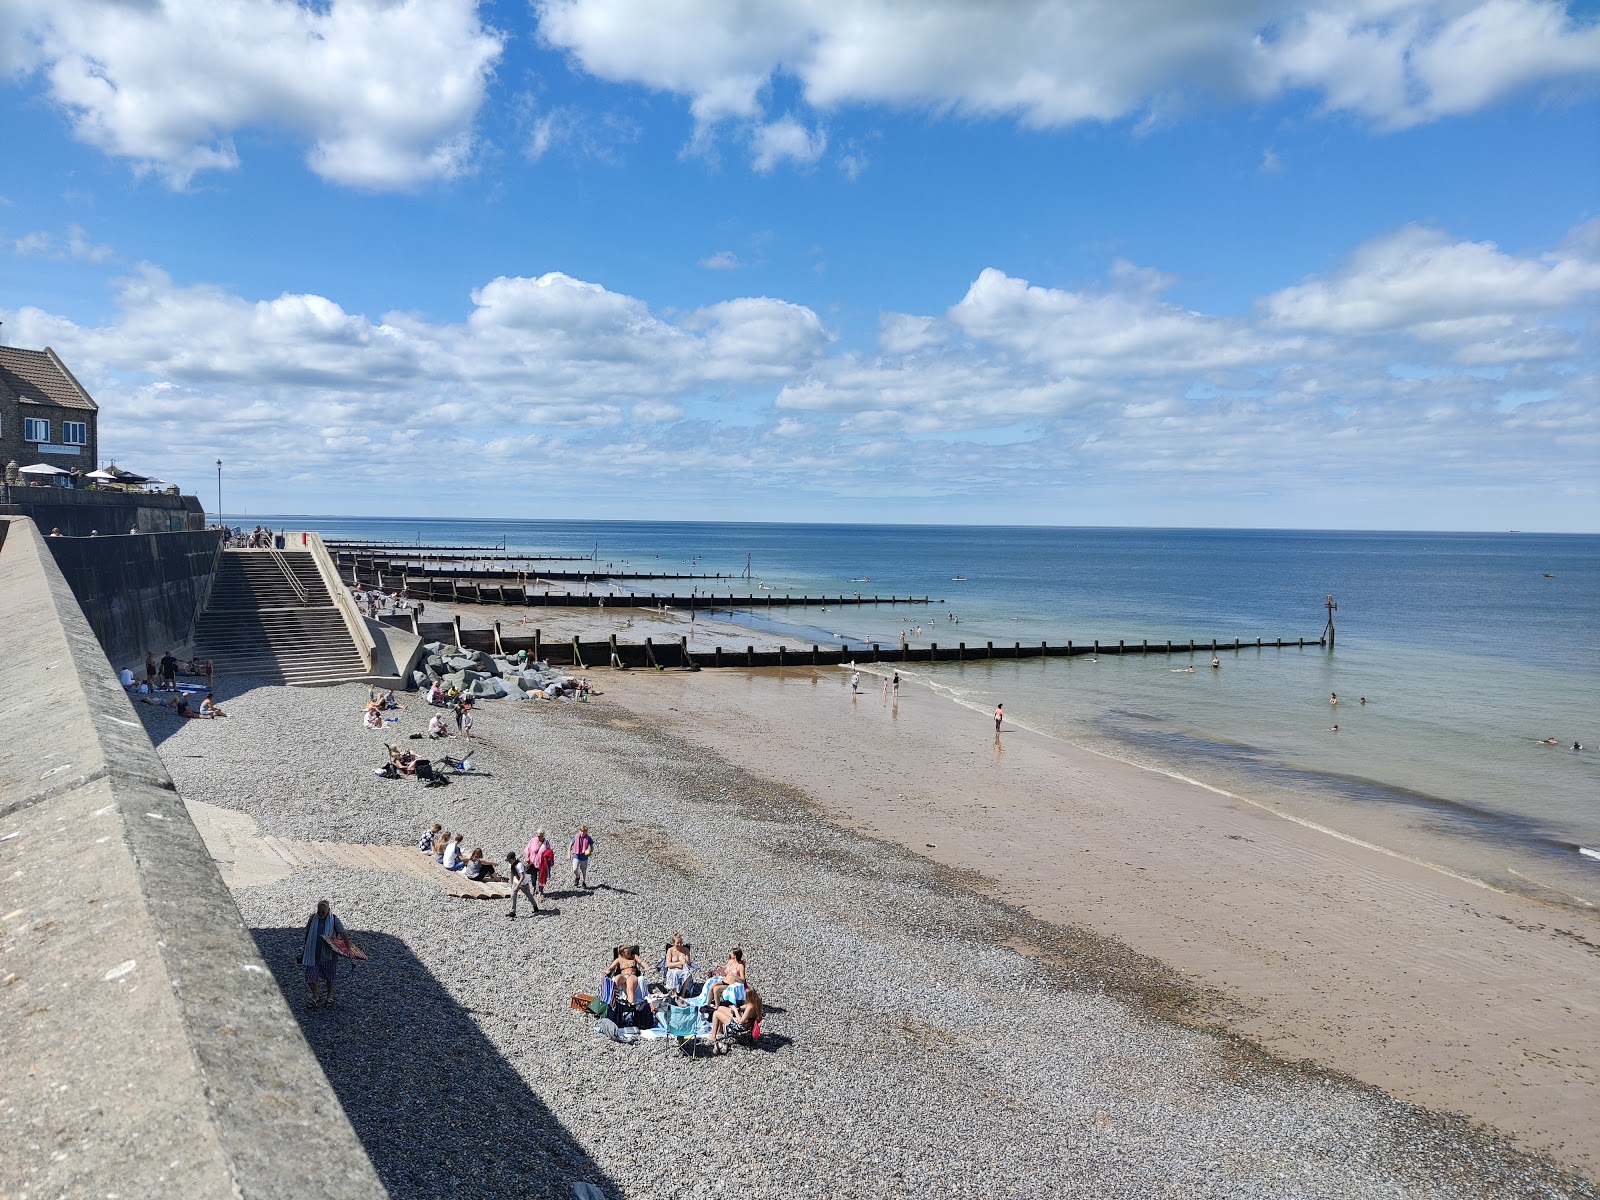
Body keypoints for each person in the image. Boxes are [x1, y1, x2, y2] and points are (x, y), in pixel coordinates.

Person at [300, 899, 348, 1008]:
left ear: (328, 911)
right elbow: (307, 933)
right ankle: (316, 995)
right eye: (319, 912)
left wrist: (348, 949)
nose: (321, 914)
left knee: (329, 977)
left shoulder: (334, 920)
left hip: (329, 954)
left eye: (323, 912)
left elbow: (343, 934)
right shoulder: (313, 919)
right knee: (310, 977)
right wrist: (305, 948)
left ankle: (329, 997)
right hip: (313, 952)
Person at [505, 852, 539, 917]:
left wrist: (518, 886)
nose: (509, 862)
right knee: (513, 895)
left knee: (529, 895)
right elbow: (512, 873)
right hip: (516, 882)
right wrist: (512, 883)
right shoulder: (511, 865)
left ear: (514, 859)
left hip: (523, 883)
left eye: (510, 860)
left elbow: (522, 876)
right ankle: (513, 911)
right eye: (508, 861)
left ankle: (535, 907)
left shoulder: (519, 865)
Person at [526, 829, 556, 895]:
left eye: (540, 836)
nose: (539, 837)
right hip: (533, 862)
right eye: (538, 836)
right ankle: (533, 887)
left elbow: (549, 852)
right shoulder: (533, 840)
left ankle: (540, 891)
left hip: (542, 863)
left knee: (542, 877)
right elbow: (527, 848)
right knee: (533, 877)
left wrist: (548, 858)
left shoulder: (546, 843)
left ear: (543, 835)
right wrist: (527, 857)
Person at [664, 932, 692, 997]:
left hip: (683, 970)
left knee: (688, 974)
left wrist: (686, 960)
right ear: (673, 943)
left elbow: (689, 964)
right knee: (675, 973)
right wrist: (679, 963)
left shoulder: (686, 950)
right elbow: (668, 964)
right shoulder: (670, 950)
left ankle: (682, 994)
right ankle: (675, 993)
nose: (679, 944)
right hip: (672, 970)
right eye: (677, 943)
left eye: (680, 942)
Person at [570, 824, 594, 889]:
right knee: (574, 869)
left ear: (586, 832)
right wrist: (568, 853)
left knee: (583, 870)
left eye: (584, 831)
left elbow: (592, 847)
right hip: (576, 855)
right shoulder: (576, 837)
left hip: (584, 856)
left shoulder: (588, 838)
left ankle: (584, 882)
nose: (583, 833)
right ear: (579, 831)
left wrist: (590, 852)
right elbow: (570, 844)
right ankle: (577, 877)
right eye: (581, 831)